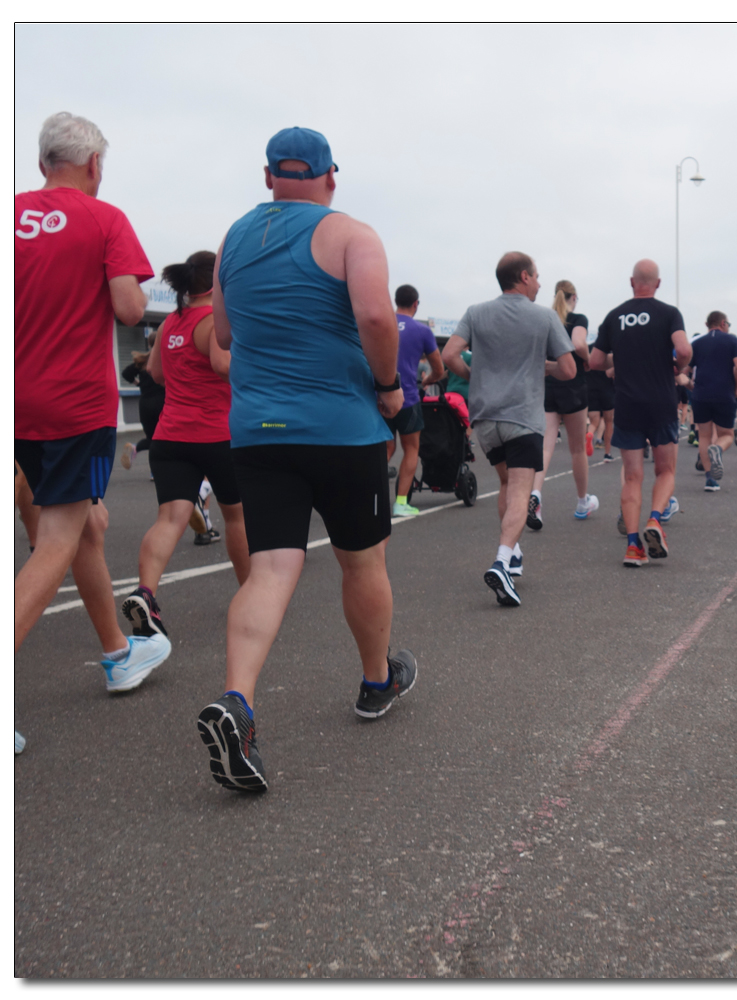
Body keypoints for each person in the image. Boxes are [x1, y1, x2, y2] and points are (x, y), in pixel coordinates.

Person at [198, 126, 416, 793]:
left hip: (259, 433)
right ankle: (377, 681)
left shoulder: (233, 239)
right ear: (330, 177)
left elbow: (225, 333)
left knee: (269, 569)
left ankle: (238, 701)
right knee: (362, 560)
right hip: (343, 429)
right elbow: (377, 318)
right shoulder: (352, 234)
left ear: (269, 177)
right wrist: (387, 388)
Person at [15, 112, 172, 732]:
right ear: (94, 166)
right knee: (58, 537)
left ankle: (116, 655)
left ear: (41, 164)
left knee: (86, 526)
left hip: (15, 402)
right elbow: (130, 305)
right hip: (73, 404)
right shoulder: (105, 219)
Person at [121, 252, 250, 640]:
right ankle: (250, 597)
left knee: (169, 520)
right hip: (217, 435)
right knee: (237, 518)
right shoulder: (213, 320)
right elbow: (222, 365)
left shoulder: (170, 323)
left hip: (170, 436)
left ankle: (146, 593)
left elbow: (156, 373)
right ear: (217, 283)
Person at [442, 252, 575, 604]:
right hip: (522, 416)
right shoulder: (545, 316)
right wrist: (539, 367)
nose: (541, 282)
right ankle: (502, 562)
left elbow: (449, 356)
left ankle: (512, 552)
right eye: (537, 276)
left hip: (485, 417)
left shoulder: (476, 312)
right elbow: (569, 369)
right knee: (520, 489)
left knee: (505, 483)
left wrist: (476, 377)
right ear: (524, 277)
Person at [590, 259, 691, 566]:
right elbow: (684, 351)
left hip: (628, 404)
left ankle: (633, 547)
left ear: (631, 282)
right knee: (666, 471)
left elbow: (595, 361)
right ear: (657, 284)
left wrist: (620, 360)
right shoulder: (669, 314)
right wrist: (679, 367)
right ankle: (655, 519)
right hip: (661, 402)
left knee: (632, 476)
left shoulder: (614, 316)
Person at [528, 280, 598, 527]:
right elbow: (579, 344)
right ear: (574, 297)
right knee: (577, 449)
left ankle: (535, 495)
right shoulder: (578, 319)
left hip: (548, 384)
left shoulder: (544, 318)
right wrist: (588, 360)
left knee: (546, 446)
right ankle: (582, 502)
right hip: (573, 384)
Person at [386, 284, 445, 516]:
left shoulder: (383, 322)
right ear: (416, 304)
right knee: (411, 448)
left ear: (395, 301)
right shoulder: (422, 331)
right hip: (407, 397)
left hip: (379, 397)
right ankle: (401, 503)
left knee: (385, 447)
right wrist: (429, 380)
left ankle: (370, 497)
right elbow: (439, 369)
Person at [689, 311, 737, 493]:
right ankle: (718, 449)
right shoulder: (731, 340)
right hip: (724, 393)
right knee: (726, 434)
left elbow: (686, 369)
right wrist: (736, 387)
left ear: (707, 324)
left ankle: (710, 479)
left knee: (704, 435)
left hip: (700, 394)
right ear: (722, 323)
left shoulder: (697, 343)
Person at [120, 330, 165, 470]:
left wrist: (138, 384)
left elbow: (126, 373)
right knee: (164, 438)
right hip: (162, 403)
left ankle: (138, 451)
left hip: (145, 405)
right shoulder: (165, 357)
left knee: (152, 438)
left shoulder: (144, 360)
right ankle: (157, 468)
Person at [586, 325, 616, 461]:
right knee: (609, 422)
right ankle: (607, 453)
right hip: (607, 390)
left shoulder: (588, 349)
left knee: (594, 421)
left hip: (590, 389)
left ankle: (590, 433)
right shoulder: (611, 352)